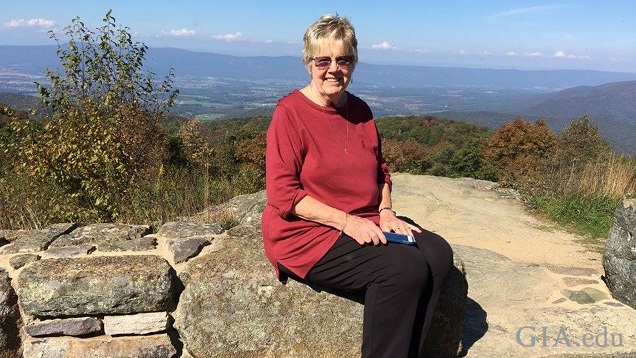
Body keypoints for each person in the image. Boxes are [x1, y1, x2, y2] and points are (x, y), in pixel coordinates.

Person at [261, 13, 453, 358]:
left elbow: (381, 171)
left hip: (366, 217)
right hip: (308, 233)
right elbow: (282, 193)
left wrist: (386, 211)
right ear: (309, 63)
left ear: (354, 62)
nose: (334, 68)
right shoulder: (290, 112)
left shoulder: (361, 110)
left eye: (344, 59)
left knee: (438, 255)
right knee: (403, 270)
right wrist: (347, 222)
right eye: (324, 59)